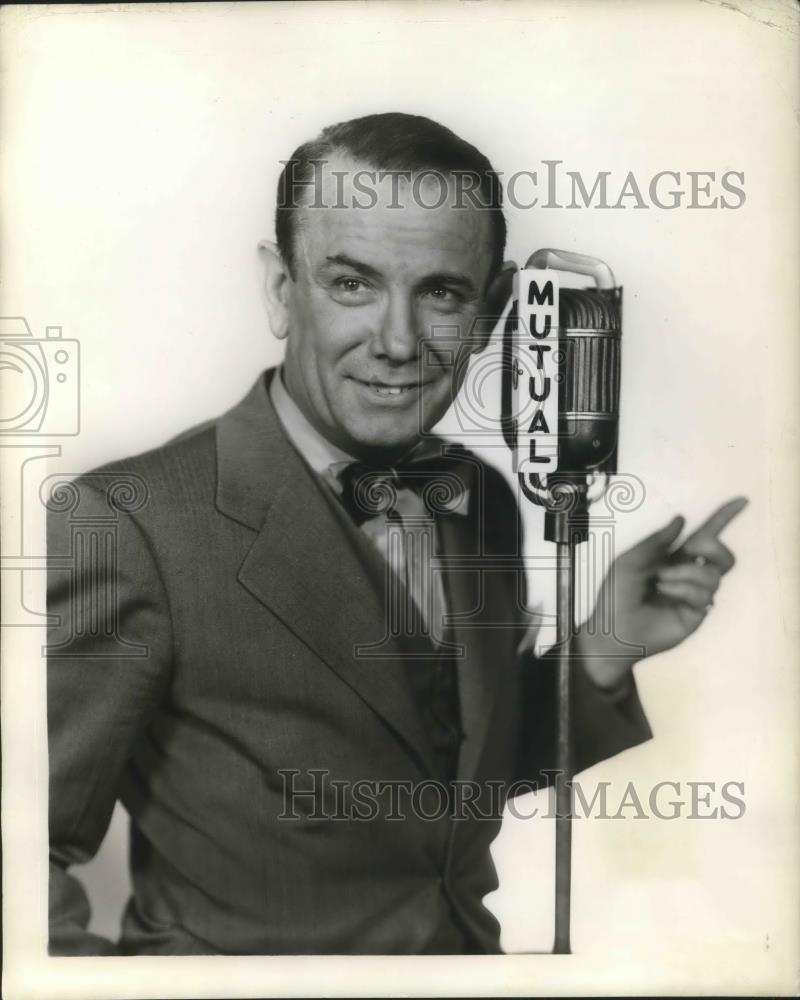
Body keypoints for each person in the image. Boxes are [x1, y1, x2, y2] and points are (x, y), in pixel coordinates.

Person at [47, 112, 746, 956]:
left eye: (441, 293)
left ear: (491, 312)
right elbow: (22, 849)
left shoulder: (481, 498)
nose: (398, 341)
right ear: (279, 290)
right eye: (353, 284)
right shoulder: (128, 523)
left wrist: (602, 646)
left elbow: (438, 777)